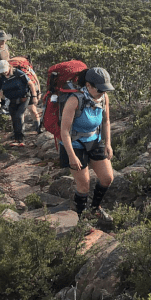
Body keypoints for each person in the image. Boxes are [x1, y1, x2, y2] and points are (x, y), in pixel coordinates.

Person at [59, 67, 115, 226]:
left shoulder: (103, 97)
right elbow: (64, 131)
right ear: (88, 85)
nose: (103, 92)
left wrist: (108, 144)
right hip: (74, 144)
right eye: (100, 89)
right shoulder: (74, 100)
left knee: (107, 178)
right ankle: (81, 220)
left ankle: (95, 208)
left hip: (94, 140)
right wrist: (71, 156)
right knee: (84, 185)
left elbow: (106, 121)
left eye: (105, 89)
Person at [0, 60, 38, 147]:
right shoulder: (1, 78)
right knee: (13, 117)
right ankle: (16, 138)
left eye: (5, 70)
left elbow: (31, 84)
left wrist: (34, 96)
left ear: (9, 67)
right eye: (2, 71)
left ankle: (21, 139)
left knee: (19, 115)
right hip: (12, 100)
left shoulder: (18, 73)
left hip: (24, 98)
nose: (4, 73)